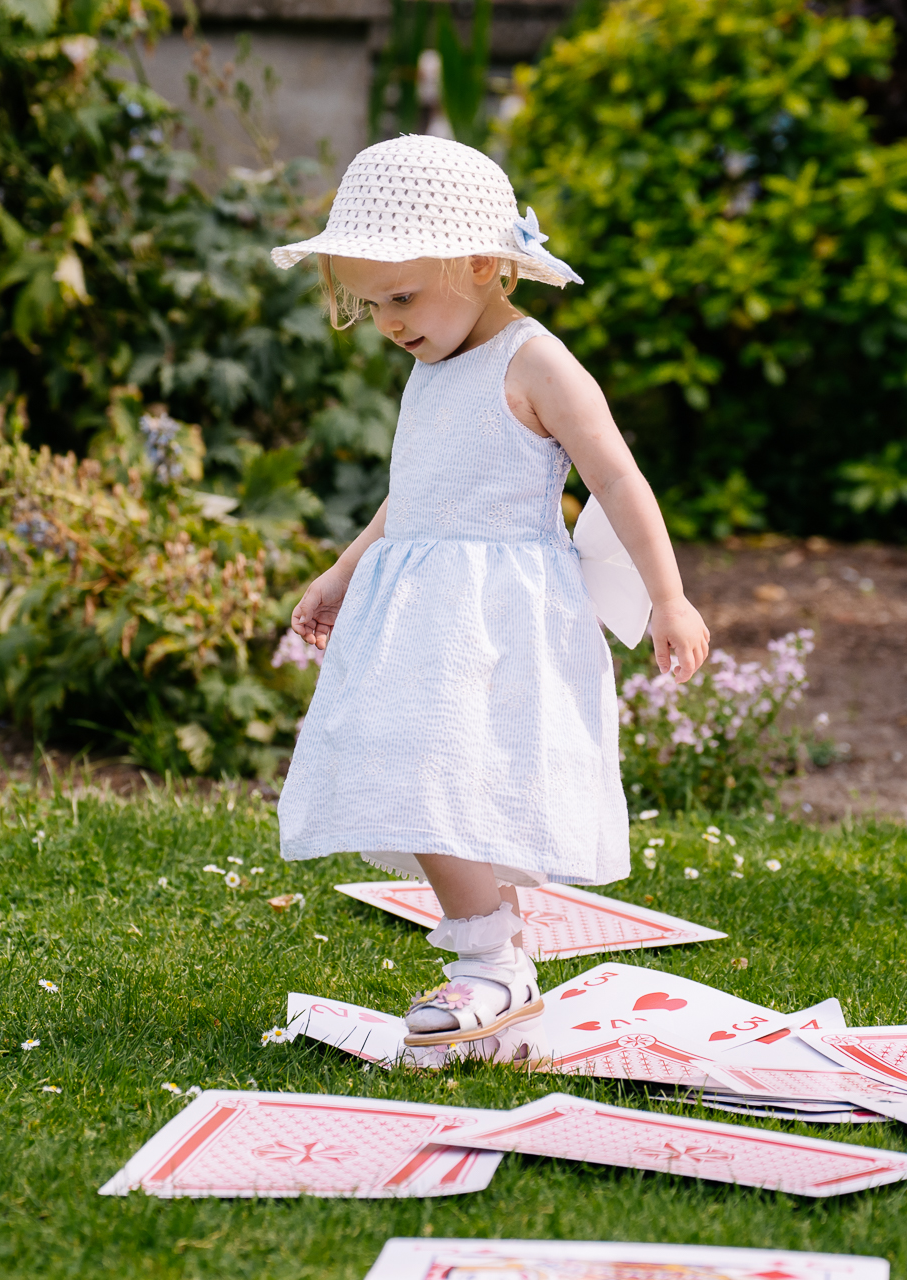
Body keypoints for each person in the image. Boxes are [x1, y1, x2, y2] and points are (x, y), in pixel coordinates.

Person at [271, 135, 710, 1049]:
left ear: (481, 264)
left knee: (439, 772)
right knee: (419, 771)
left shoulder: (534, 361)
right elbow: (416, 494)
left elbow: (619, 481)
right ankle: (494, 954)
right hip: (419, 618)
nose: (388, 323)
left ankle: (491, 962)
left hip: (497, 619)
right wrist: (344, 569)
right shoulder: (430, 374)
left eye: (400, 296)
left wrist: (668, 598)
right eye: (369, 303)